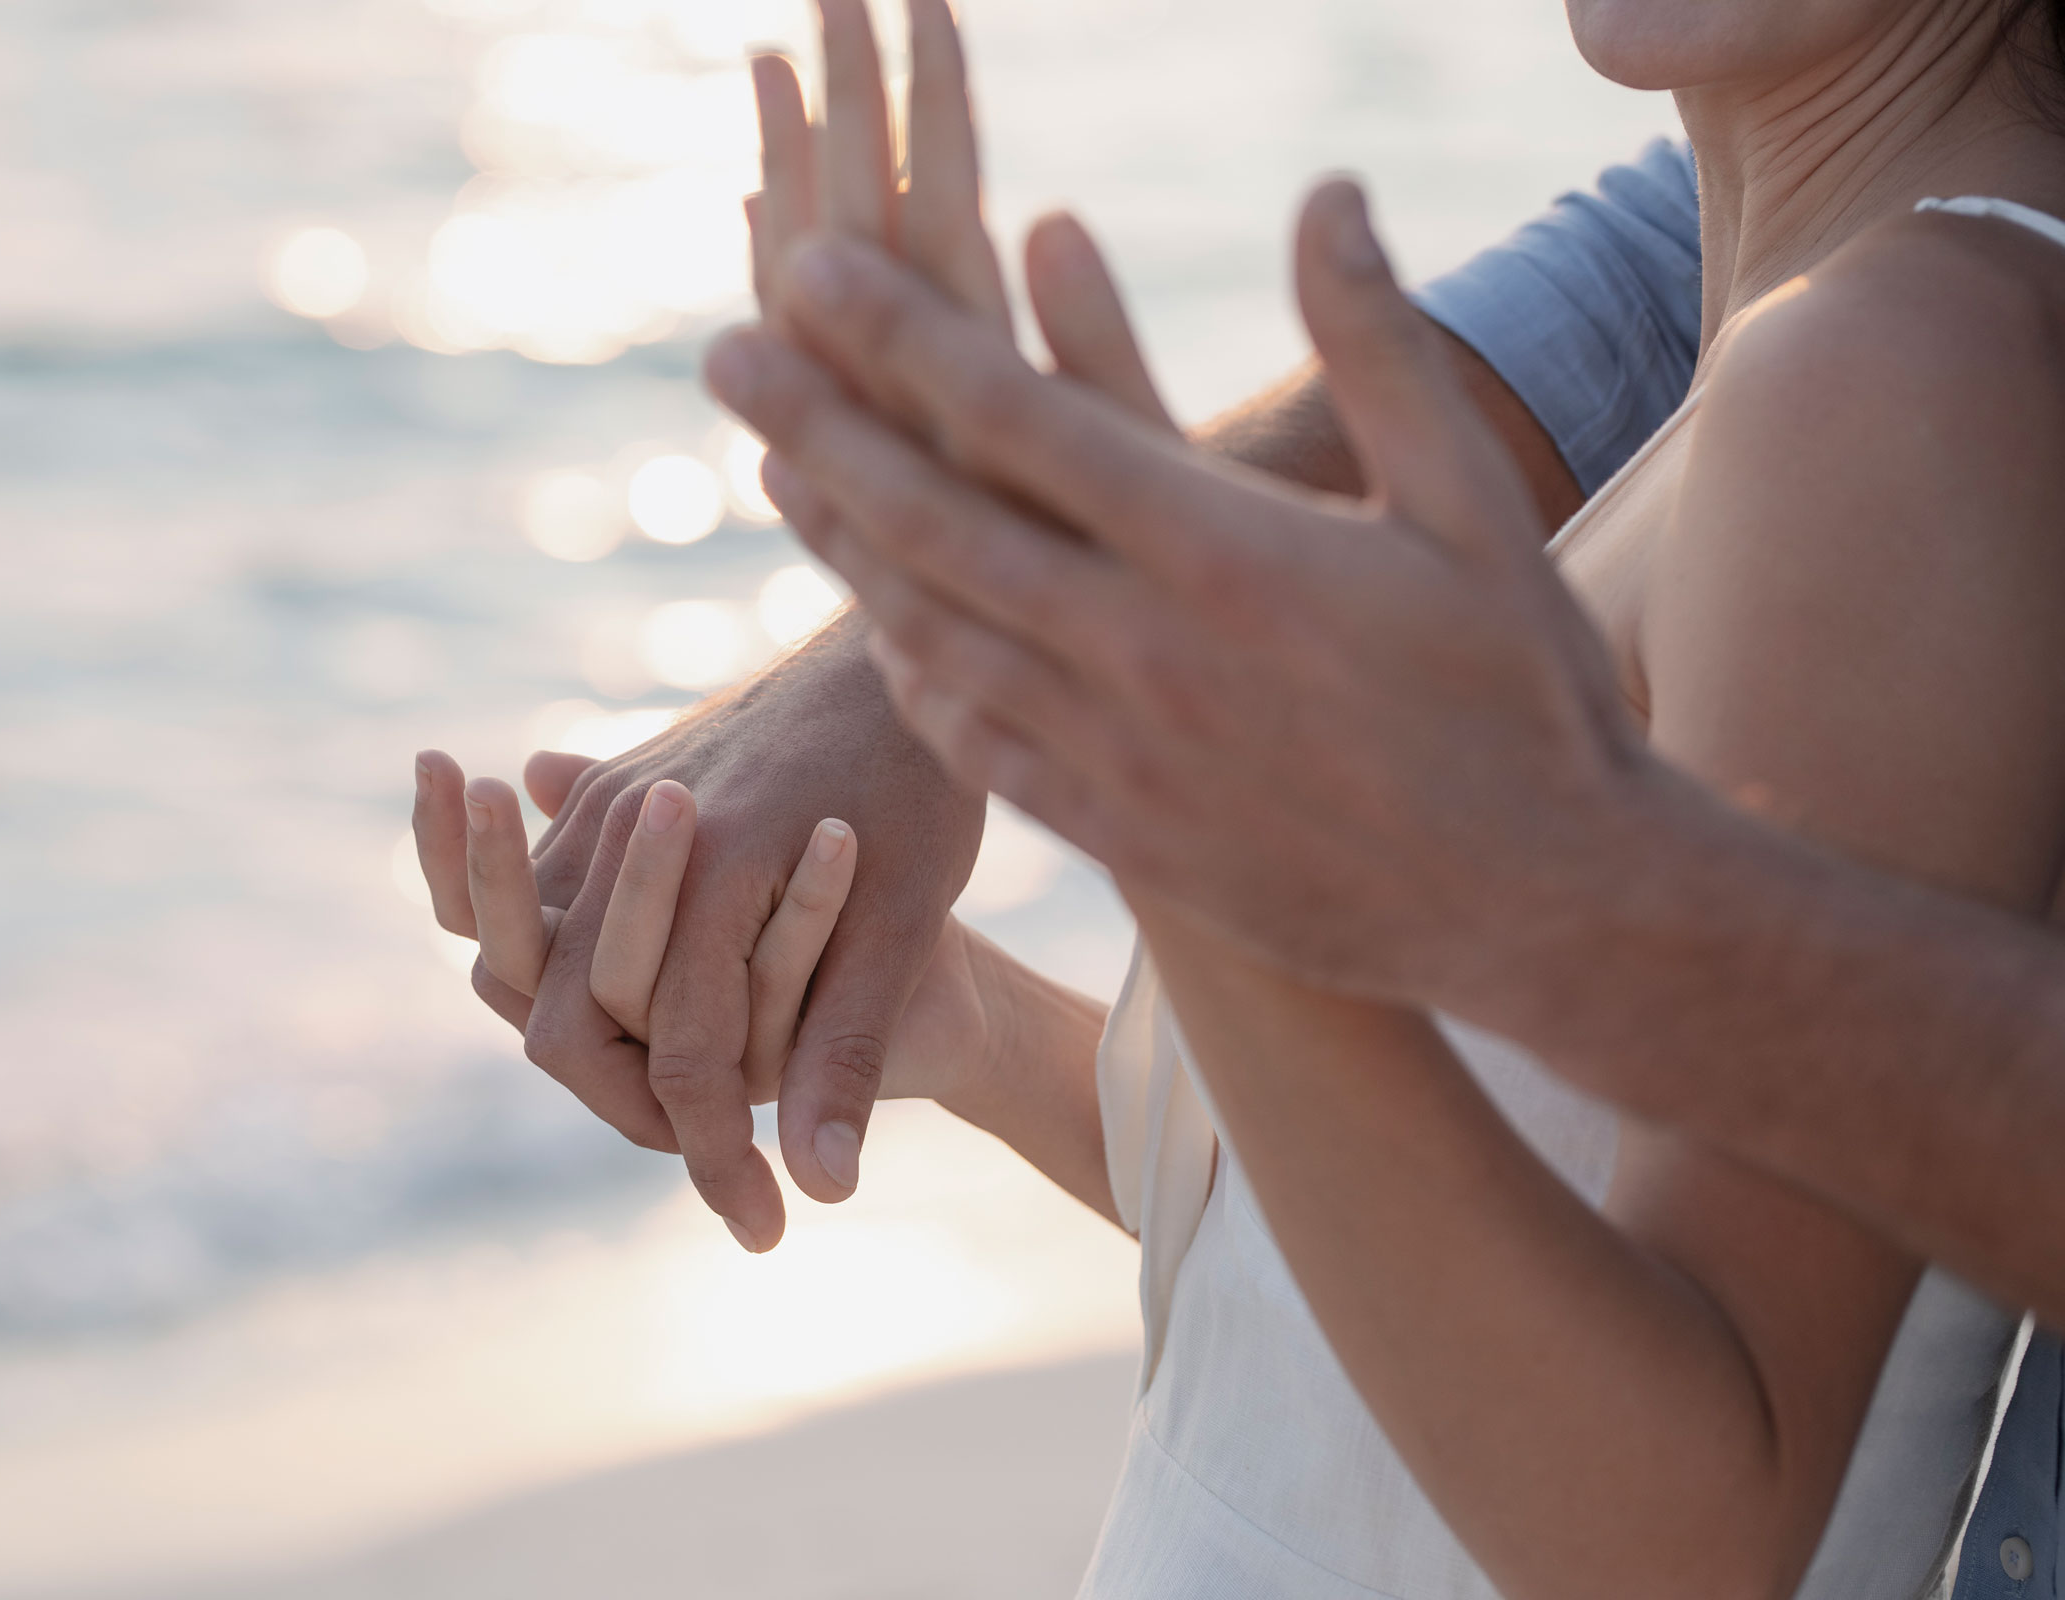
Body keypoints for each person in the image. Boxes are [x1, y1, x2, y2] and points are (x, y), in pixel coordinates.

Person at [414, 3, 2065, 1598]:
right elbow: (1391, 1296)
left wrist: (1168, 804)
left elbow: (1685, 1545)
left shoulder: (1890, 384)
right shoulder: (1791, 346)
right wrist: (968, 1020)